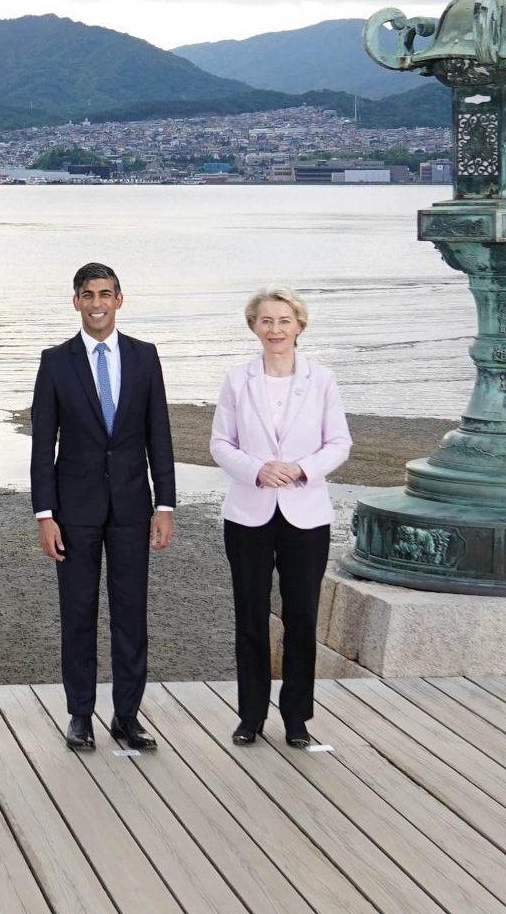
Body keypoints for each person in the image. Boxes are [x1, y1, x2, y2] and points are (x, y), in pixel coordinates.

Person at [30, 263, 175, 752]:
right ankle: (80, 715)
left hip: (134, 507)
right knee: (78, 614)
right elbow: (41, 447)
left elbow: (160, 435)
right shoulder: (54, 362)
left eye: (106, 294)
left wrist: (166, 504)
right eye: (88, 295)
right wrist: (44, 514)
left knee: (131, 614)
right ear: (75, 301)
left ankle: (128, 717)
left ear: (119, 299)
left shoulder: (144, 357)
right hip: (74, 511)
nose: (97, 303)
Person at [211, 286, 350, 748]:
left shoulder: (322, 379)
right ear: (253, 326)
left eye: (284, 321)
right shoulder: (237, 380)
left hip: (306, 514)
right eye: (266, 321)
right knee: (249, 615)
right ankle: (249, 717)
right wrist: (257, 470)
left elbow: (339, 444)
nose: (275, 330)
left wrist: (301, 469)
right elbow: (220, 444)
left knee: (302, 618)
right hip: (248, 513)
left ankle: (296, 719)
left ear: (299, 327)